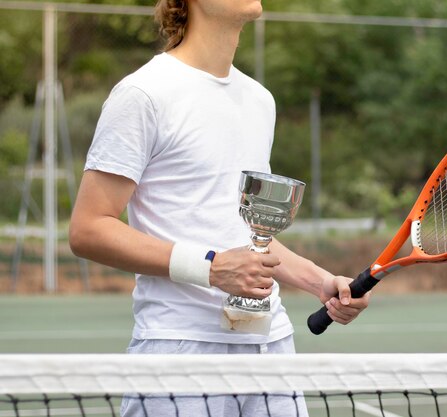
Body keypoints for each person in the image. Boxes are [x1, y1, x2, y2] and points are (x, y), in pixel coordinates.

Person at [68, 0, 370, 416]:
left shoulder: (260, 100)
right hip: (179, 353)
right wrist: (210, 267)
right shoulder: (143, 94)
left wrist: (319, 281)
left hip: (270, 351)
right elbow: (88, 229)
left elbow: (246, 237)